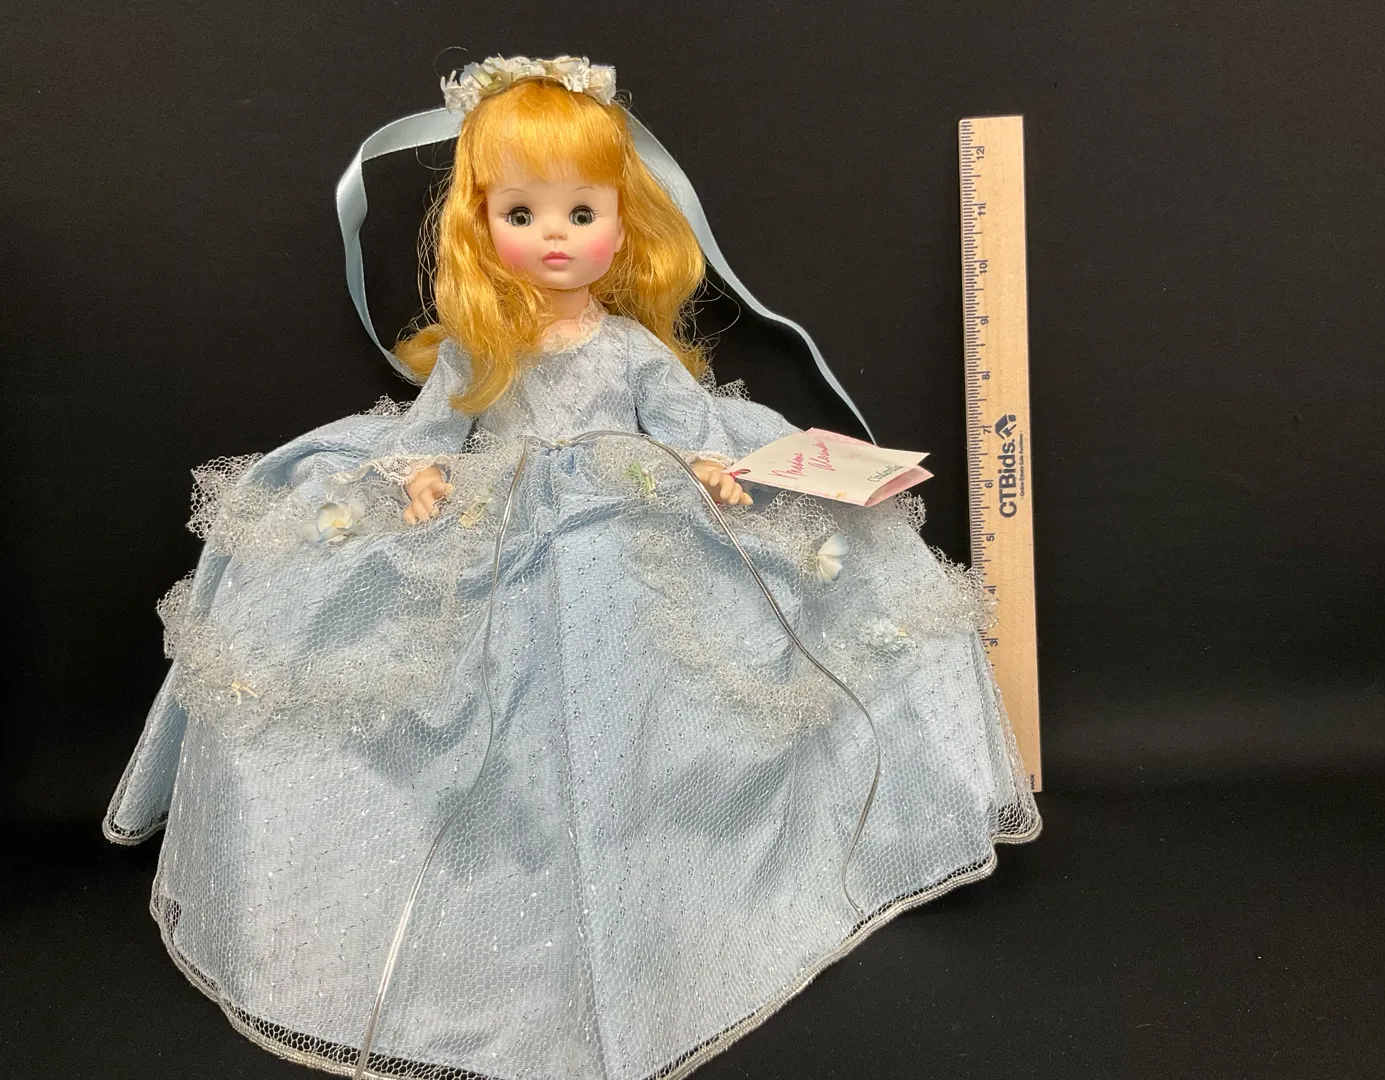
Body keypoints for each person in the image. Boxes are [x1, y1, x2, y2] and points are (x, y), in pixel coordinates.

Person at [104, 55, 1041, 1080]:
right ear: (482, 224)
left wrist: (711, 467)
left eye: (581, 212)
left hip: (624, 519)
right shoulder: (480, 343)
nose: (555, 236)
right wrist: (421, 474)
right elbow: (434, 427)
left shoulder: (628, 346)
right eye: (523, 213)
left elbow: (681, 422)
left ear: (622, 225)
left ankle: (694, 884)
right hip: (498, 520)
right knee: (448, 696)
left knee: (681, 681)